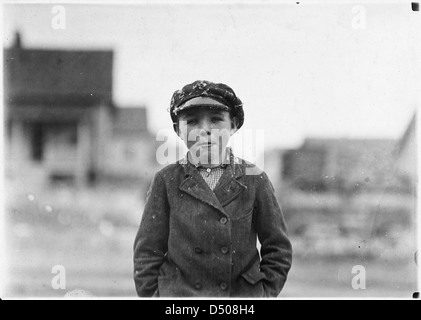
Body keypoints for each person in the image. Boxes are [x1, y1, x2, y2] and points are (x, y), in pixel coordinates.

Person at [133, 80, 292, 297]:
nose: (205, 130)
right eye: (192, 122)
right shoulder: (166, 179)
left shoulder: (255, 179)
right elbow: (147, 251)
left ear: (233, 125)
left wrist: (262, 294)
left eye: (216, 120)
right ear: (178, 130)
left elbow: (278, 249)